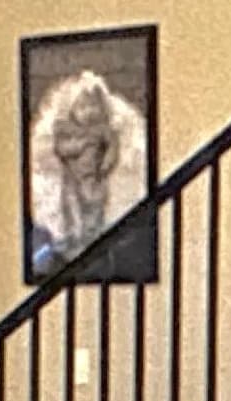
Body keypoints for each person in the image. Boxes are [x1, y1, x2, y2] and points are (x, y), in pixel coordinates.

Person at [26, 66, 143, 278]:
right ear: (71, 108)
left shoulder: (103, 130)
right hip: (71, 181)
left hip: (95, 178)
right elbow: (61, 149)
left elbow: (112, 148)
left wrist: (105, 166)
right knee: (72, 210)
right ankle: (72, 240)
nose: (89, 112)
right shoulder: (66, 129)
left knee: (95, 207)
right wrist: (81, 145)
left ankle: (93, 240)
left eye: (94, 107)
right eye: (83, 107)